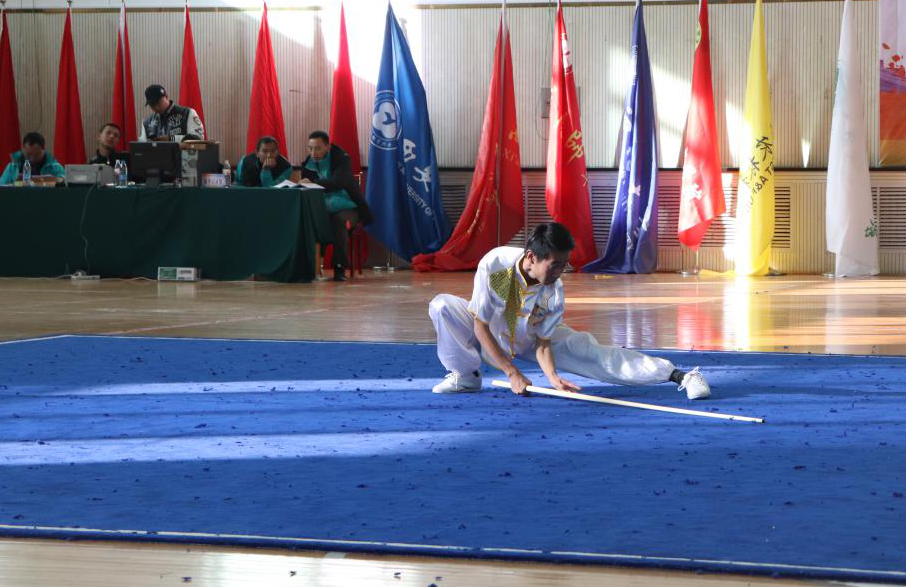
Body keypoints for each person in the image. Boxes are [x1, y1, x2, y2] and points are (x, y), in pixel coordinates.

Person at [428, 221, 710, 399]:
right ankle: (467, 377)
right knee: (442, 306)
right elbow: (479, 324)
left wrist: (552, 378)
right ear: (531, 257)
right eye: (555, 265)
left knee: (594, 354)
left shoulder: (554, 290)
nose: (560, 272)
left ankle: (678, 375)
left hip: (529, 339)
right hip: (491, 331)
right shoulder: (495, 265)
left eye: (564, 265)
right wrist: (512, 373)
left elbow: (543, 343)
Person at [298, 130, 374, 282]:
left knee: (338, 221)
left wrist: (314, 183)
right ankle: (310, 266)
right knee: (307, 220)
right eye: (310, 148)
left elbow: (339, 182)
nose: (313, 153)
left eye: (317, 148)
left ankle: (339, 267)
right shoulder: (308, 163)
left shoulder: (341, 158)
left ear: (328, 147)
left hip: (348, 206)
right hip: (323, 206)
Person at [140, 84, 205, 142]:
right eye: (152, 104)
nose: (156, 107)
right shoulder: (147, 122)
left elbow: (198, 138)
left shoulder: (187, 113)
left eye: (158, 102)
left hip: (181, 152)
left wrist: (171, 139)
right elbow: (143, 145)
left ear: (166, 97)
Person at [0, 131, 66, 184]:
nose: (32, 158)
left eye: (37, 155)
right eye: (28, 154)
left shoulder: (55, 167)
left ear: (44, 150)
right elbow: (2, 186)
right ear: (23, 149)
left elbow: (64, 184)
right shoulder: (13, 166)